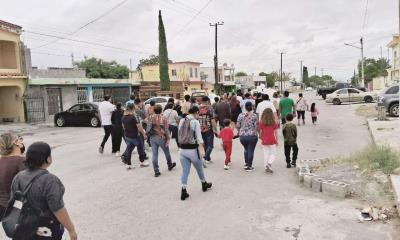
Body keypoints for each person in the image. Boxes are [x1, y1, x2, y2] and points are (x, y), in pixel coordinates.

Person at [9, 142, 77, 240]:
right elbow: (58, 208)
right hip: (45, 231)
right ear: (48, 159)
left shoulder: (18, 177)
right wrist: (71, 230)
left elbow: (14, 204)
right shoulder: (50, 180)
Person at [178, 106, 212, 201]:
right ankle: (204, 184)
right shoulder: (195, 122)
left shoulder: (181, 120)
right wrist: (201, 149)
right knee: (199, 168)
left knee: (185, 171)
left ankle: (183, 190)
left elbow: (179, 134)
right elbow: (199, 137)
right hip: (192, 150)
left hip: (182, 150)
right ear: (196, 112)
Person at [146, 104, 177, 177]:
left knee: (154, 154)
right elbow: (166, 129)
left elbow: (147, 127)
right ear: (161, 110)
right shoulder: (164, 118)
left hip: (152, 137)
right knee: (167, 152)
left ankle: (156, 171)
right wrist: (168, 138)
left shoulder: (150, 117)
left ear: (154, 110)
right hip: (162, 137)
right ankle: (169, 165)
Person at [0, 133, 25, 219]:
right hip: (16, 208)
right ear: (16, 143)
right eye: (19, 138)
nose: (21, 140)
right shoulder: (22, 161)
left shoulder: (1, 160)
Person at [121, 104, 147, 170]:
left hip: (127, 136)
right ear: (133, 109)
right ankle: (142, 162)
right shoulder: (134, 116)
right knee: (140, 149)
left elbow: (123, 127)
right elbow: (139, 126)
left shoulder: (123, 117)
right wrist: (144, 134)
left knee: (129, 150)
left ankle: (128, 164)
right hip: (135, 136)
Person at [236, 101, 259, 172]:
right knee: (250, 150)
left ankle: (246, 163)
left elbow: (238, 126)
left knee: (246, 149)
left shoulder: (240, 115)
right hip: (252, 136)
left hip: (242, 136)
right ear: (252, 107)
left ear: (245, 107)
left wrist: (240, 131)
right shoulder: (254, 116)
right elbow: (256, 126)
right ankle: (249, 166)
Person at [198, 96, 218, 165]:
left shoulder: (198, 108)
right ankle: (205, 158)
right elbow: (212, 120)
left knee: (205, 144)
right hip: (208, 129)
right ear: (207, 101)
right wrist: (215, 130)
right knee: (210, 145)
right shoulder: (209, 108)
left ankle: (208, 158)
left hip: (200, 129)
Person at [259, 108, 279, 173]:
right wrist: (277, 140)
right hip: (272, 139)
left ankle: (266, 167)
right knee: (274, 153)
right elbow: (276, 132)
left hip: (264, 140)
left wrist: (261, 140)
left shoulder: (261, 122)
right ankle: (269, 163)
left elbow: (260, 132)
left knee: (266, 154)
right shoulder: (273, 122)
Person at [134, 98, 150, 166]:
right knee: (140, 143)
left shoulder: (136, 108)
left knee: (139, 143)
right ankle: (142, 156)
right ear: (139, 103)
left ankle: (143, 154)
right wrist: (143, 107)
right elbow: (143, 114)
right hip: (139, 128)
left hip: (138, 127)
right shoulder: (137, 109)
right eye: (141, 103)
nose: (142, 104)